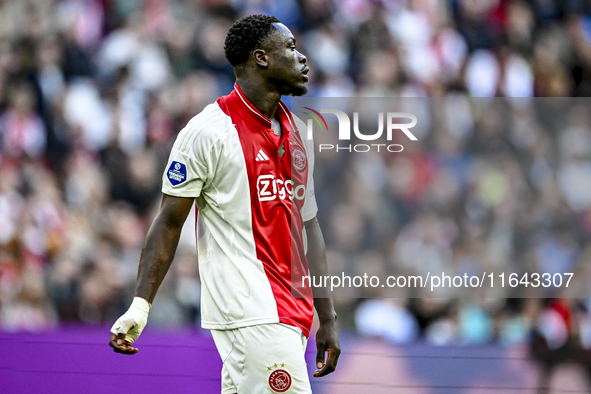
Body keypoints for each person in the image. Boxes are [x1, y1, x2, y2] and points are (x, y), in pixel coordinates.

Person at [108, 14, 340, 393]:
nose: (303, 58)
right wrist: (141, 305)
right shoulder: (207, 132)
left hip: (292, 316)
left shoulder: (298, 133)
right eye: (292, 48)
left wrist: (325, 316)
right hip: (250, 312)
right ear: (261, 58)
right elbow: (169, 222)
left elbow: (308, 226)